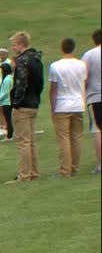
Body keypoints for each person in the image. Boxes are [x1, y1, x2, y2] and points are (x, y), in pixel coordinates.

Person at [7, 31, 44, 183]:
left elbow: (20, 84)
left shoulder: (22, 61)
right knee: (31, 141)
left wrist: (16, 102)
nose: (12, 48)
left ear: (21, 45)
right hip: (34, 103)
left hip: (23, 105)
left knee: (23, 142)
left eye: (14, 45)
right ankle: (33, 172)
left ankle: (24, 175)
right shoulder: (36, 59)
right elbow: (40, 83)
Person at [49, 37, 87, 177]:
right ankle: (74, 167)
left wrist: (53, 108)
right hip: (78, 104)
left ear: (61, 48)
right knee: (76, 137)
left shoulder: (55, 66)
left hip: (62, 104)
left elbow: (53, 89)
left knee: (63, 138)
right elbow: (84, 82)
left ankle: (65, 169)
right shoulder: (82, 65)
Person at [81, 29, 101, 174]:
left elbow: (84, 77)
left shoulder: (89, 55)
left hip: (95, 97)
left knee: (98, 131)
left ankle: (101, 165)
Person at [0, 62, 14, 142]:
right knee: (8, 119)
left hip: (6, 102)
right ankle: (10, 134)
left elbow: (6, 93)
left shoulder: (7, 79)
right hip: (9, 101)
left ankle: (9, 136)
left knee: (8, 119)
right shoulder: (10, 78)